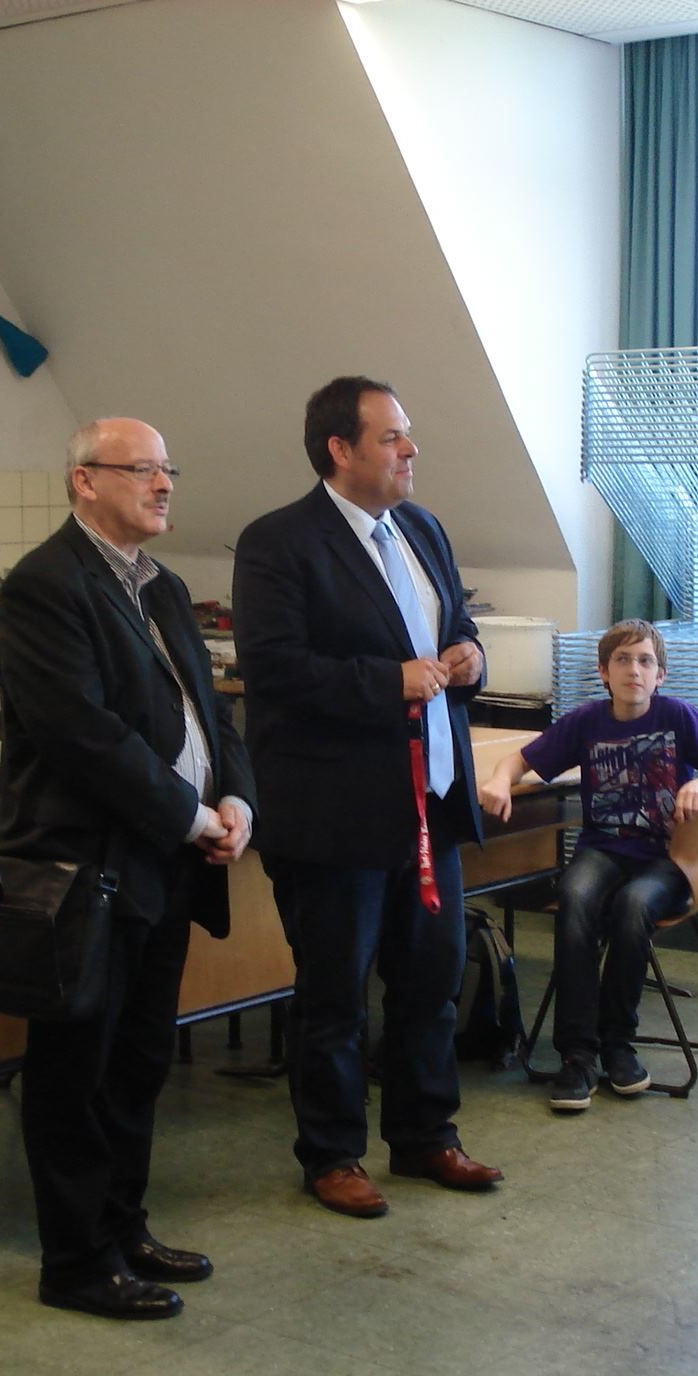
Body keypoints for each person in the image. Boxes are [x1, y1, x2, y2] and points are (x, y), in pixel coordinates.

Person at [0, 417, 255, 1322]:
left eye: (167, 468)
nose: (164, 484)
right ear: (84, 481)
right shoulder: (46, 586)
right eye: (142, 469)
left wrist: (236, 799)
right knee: (77, 1069)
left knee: (139, 1061)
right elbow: (82, 736)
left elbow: (213, 713)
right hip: (86, 865)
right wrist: (189, 813)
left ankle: (123, 1227)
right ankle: (73, 1259)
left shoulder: (163, 586)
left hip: (166, 862)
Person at [232, 375, 502, 1218]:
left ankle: (426, 1136)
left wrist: (470, 657)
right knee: (335, 996)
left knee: (430, 983)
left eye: (406, 434)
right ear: (339, 450)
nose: (410, 449)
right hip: (336, 816)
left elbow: (455, 627)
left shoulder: (422, 528)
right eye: (391, 437)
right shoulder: (279, 542)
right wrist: (389, 681)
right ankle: (333, 1154)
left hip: (432, 806)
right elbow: (274, 668)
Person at [477, 618, 698, 1111]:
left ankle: (618, 1043)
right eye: (623, 660)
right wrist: (500, 780)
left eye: (645, 661)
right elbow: (518, 761)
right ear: (604, 672)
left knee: (632, 907)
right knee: (575, 896)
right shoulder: (587, 721)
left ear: (660, 674)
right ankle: (578, 1054)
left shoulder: (678, 716)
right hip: (602, 850)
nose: (634, 670)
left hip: (668, 859)